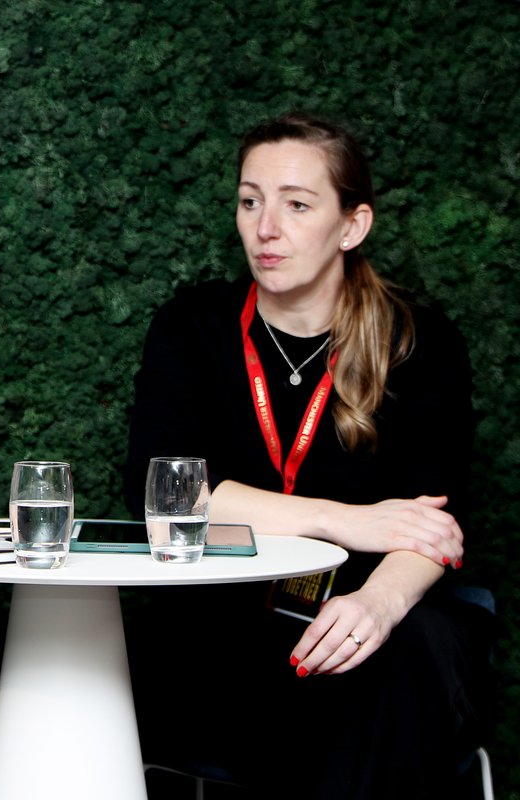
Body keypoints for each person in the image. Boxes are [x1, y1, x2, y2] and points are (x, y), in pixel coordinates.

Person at [123, 114, 494, 799]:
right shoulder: (192, 327)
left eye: (297, 204)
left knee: (393, 654)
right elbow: (164, 494)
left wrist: (377, 606)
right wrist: (342, 520)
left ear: (351, 226)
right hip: (229, 618)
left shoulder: (419, 339)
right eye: (250, 200)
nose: (266, 227)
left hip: (383, 610)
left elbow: (431, 526)